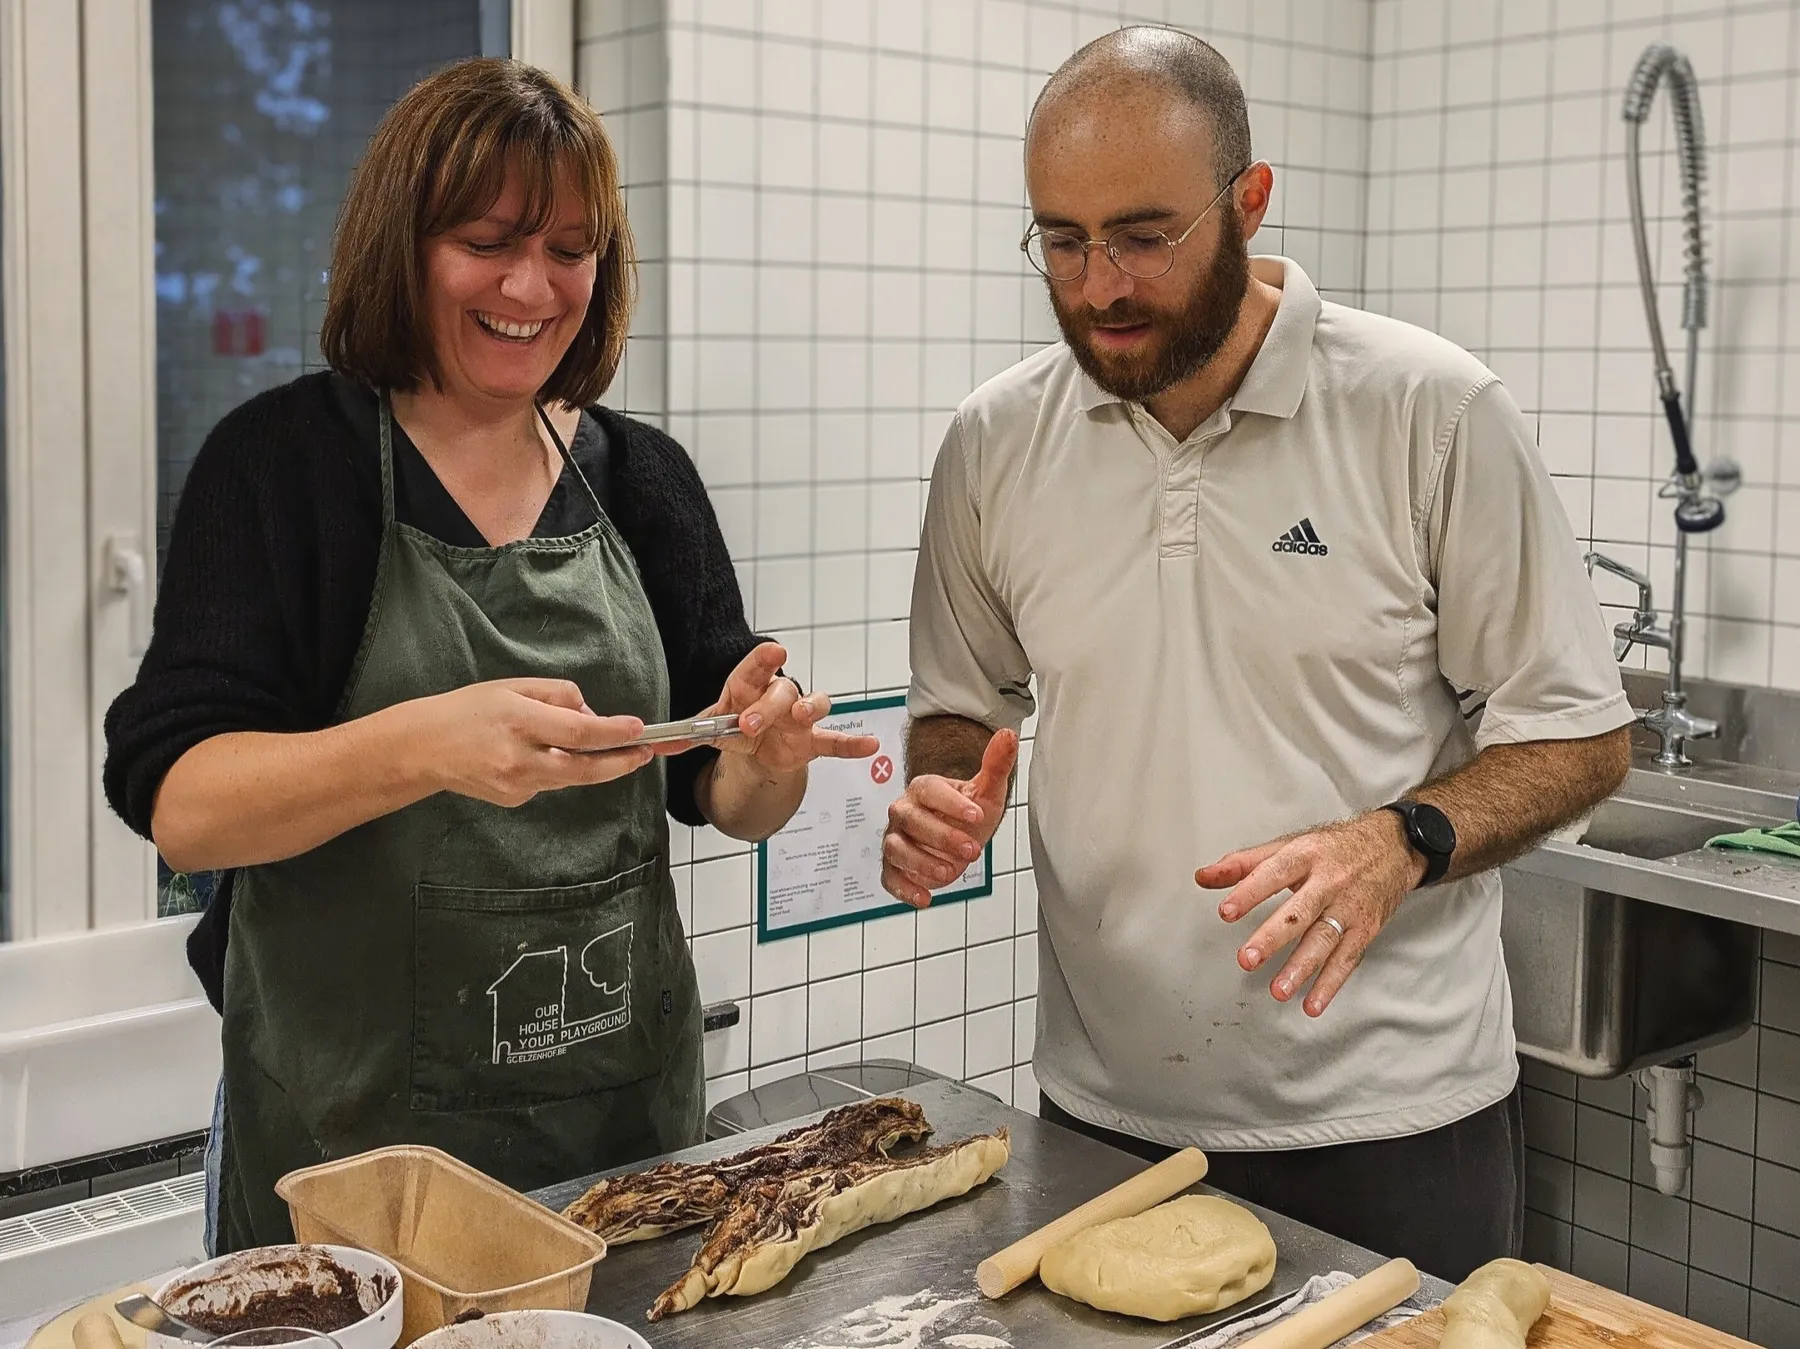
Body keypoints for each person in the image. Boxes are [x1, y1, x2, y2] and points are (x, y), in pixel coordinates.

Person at [883, 28, 1633, 1281]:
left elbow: (1581, 731)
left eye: (1143, 235)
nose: (1100, 284)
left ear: (1249, 202)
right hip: (1102, 1114)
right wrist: (945, 792)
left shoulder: (1429, 412)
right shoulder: (996, 441)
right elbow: (962, 704)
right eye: (1060, 241)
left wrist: (1401, 841)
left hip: (1393, 1120)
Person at [104, 58, 876, 1255]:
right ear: (401, 246)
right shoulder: (283, 469)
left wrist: (764, 752)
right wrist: (424, 744)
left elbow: (723, 793)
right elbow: (187, 810)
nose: (533, 285)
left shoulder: (641, 479)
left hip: (623, 1146)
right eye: (488, 240)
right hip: (354, 1167)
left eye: (571, 249)